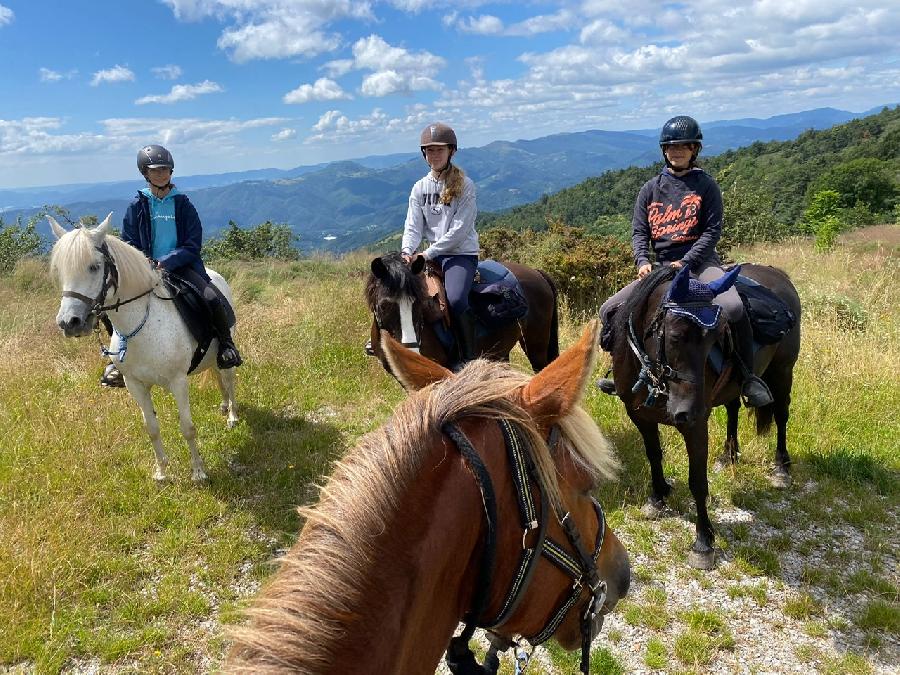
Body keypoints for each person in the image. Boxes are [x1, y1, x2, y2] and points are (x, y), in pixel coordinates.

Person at [596, 115, 773, 407]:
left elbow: (712, 232)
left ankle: (747, 377)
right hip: (661, 268)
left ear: (694, 149)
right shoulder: (650, 189)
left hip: (701, 264)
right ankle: (624, 372)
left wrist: (687, 262)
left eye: (684, 146)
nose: (676, 151)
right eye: (671, 146)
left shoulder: (706, 186)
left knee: (733, 306)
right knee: (609, 310)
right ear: (664, 149)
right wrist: (643, 261)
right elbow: (639, 231)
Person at [100, 144, 241, 387]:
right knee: (109, 304)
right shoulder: (137, 206)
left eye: (165, 169)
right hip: (144, 271)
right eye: (155, 170)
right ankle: (118, 360)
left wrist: (165, 262)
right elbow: (129, 243)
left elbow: (192, 243)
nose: (162, 174)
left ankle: (226, 346)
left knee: (210, 297)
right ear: (145, 173)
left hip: (182, 266)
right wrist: (143, 262)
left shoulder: (183, 204)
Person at [400, 122, 480, 367]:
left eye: (439, 150)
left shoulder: (465, 186)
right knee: (399, 293)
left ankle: (468, 357)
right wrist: (407, 251)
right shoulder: (419, 188)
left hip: (460, 254)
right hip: (430, 255)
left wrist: (427, 252)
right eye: (429, 151)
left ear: (451, 151)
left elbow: (459, 231)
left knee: (455, 300)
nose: (434, 155)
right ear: (424, 154)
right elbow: (413, 226)